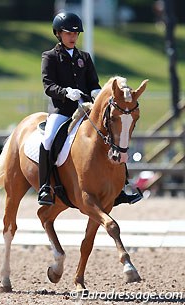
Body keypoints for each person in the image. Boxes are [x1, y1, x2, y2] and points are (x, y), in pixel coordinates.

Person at [38, 12, 143, 206]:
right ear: (59, 34)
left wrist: (96, 92)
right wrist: (66, 92)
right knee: (48, 140)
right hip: (62, 110)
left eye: (76, 34)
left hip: (86, 109)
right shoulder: (50, 56)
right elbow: (48, 85)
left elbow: (93, 83)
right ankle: (45, 186)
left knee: (115, 138)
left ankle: (122, 187)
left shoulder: (84, 57)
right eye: (69, 33)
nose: (73, 37)